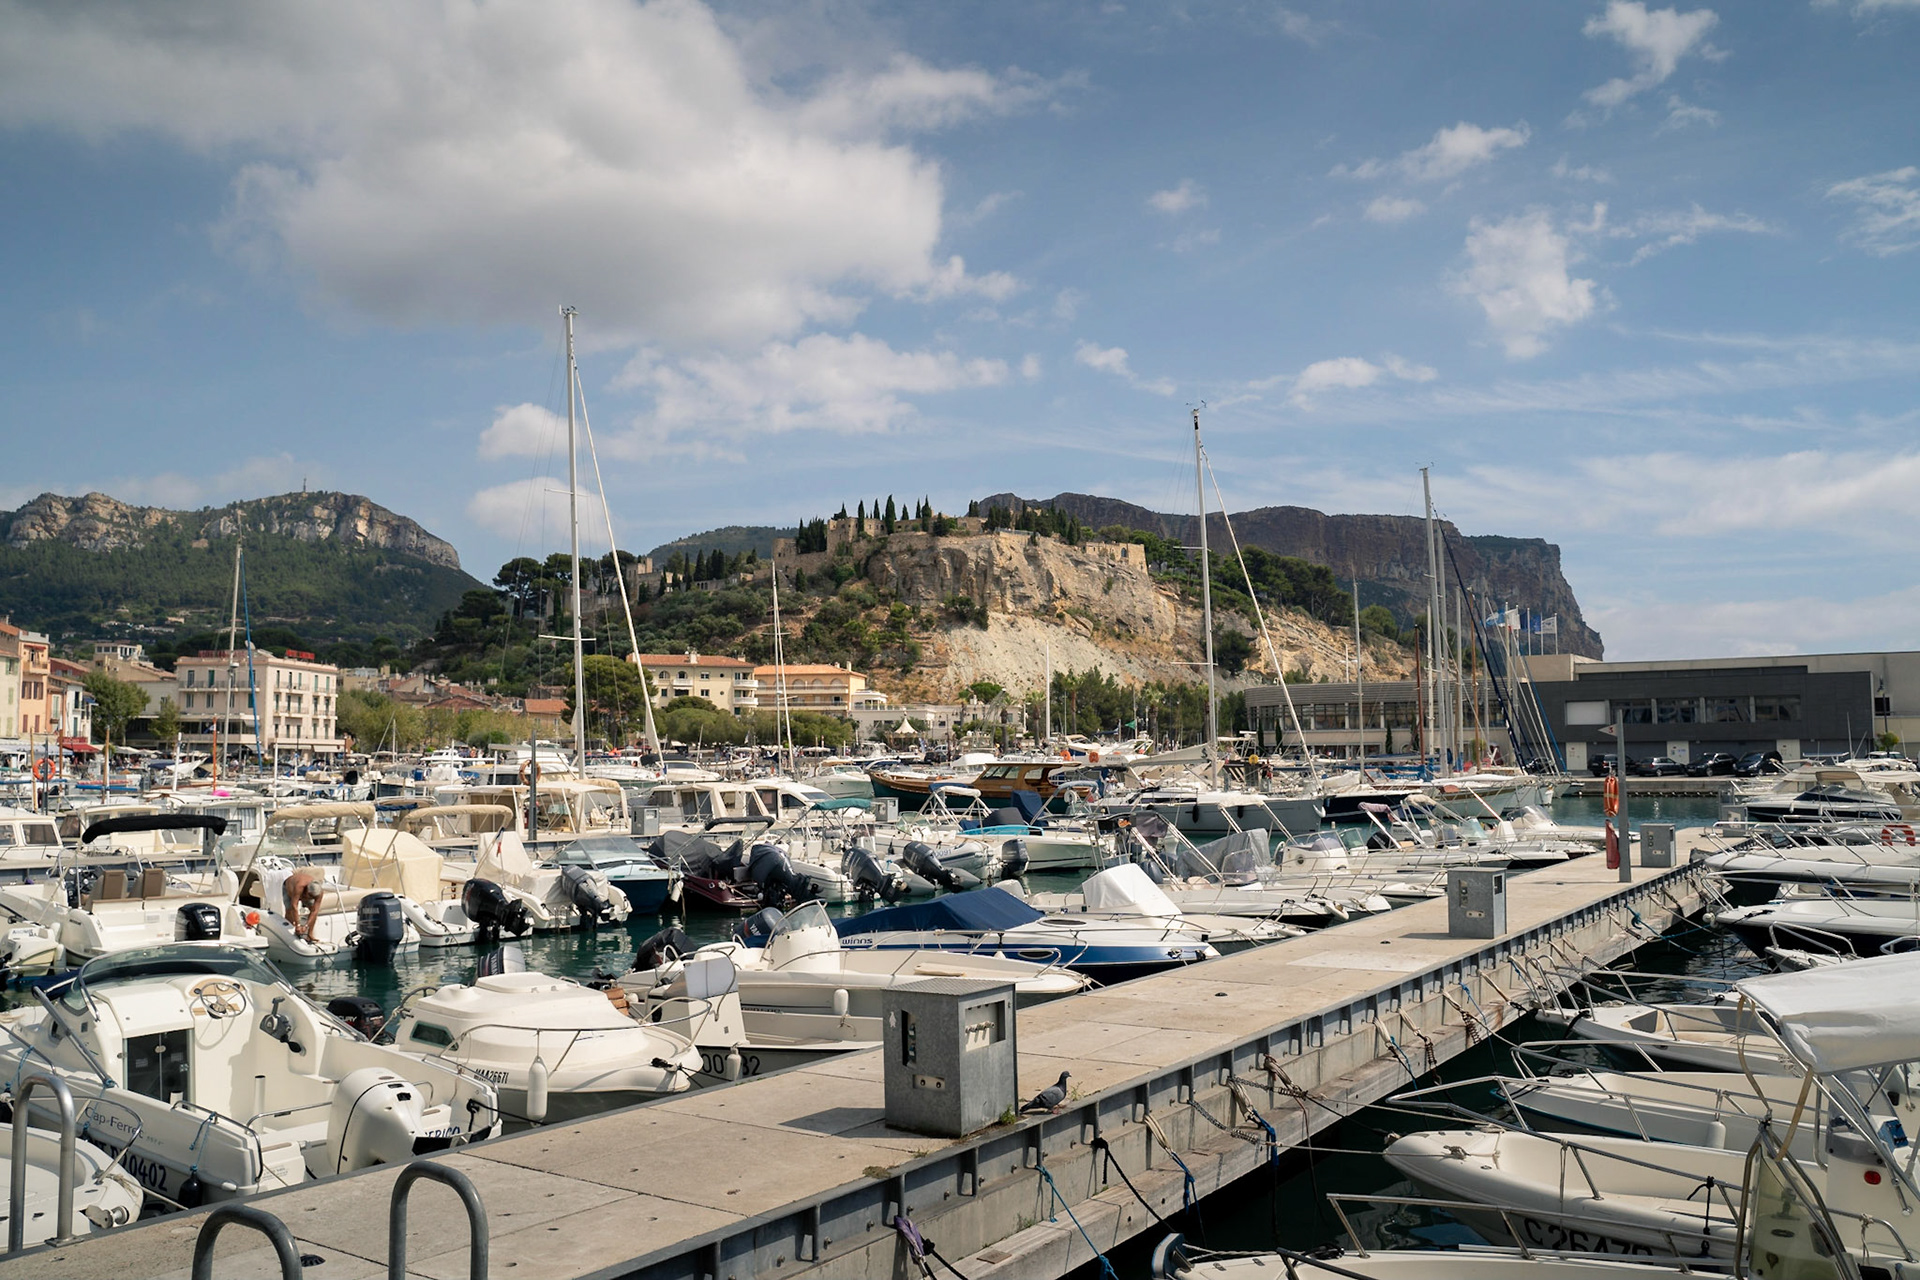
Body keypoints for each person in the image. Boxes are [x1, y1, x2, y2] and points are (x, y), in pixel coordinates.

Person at [283, 868, 325, 943]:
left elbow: (315, 911)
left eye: (313, 897)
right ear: (307, 890)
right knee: (289, 910)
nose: (310, 898)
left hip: (305, 891)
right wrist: (298, 925)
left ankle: (310, 934)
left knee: (312, 909)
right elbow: (294, 906)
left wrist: (306, 926)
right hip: (289, 888)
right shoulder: (299, 886)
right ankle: (288, 934)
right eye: (310, 896)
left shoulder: (320, 892)